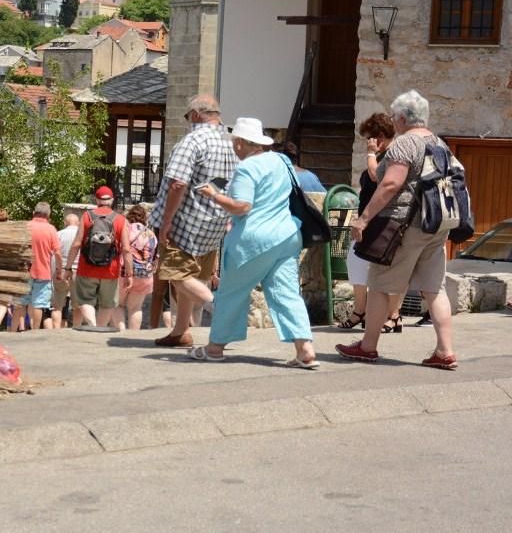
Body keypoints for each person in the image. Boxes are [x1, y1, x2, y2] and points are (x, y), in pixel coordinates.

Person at [337, 90, 458, 369]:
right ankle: (445, 351)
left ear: (402, 118)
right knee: (433, 288)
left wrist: (364, 219)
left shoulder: (405, 144)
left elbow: (390, 184)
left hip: (404, 225)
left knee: (379, 283)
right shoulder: (440, 144)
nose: (393, 121)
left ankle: (368, 347)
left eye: (394, 117)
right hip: (436, 225)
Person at [190, 118, 318, 367]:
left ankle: (215, 348)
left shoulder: (246, 168)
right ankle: (305, 349)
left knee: (231, 293)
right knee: (286, 293)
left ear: (240, 142)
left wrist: (214, 195)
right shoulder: (281, 161)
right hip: (287, 234)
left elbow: (242, 207)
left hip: (253, 240)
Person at [148, 94, 237, 347]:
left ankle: (218, 308)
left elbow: (178, 183)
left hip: (186, 220)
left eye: (187, 116)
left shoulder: (193, 140)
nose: (187, 121)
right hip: (214, 221)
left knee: (175, 274)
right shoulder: (230, 140)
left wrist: (166, 221)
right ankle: (180, 331)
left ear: (196, 115)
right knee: (193, 276)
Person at [336, 113, 406, 333]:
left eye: (371, 138)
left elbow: (377, 177)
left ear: (380, 136)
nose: (369, 142)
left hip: (385, 220)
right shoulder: (382, 155)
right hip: (369, 218)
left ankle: (393, 315)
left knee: (389, 267)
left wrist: (370, 154)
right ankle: (361, 311)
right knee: (356, 262)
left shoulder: (392, 155)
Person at [65, 187, 132, 328]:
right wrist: (129, 274)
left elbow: (77, 244)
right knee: (107, 304)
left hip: (87, 267)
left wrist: (68, 267)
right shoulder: (120, 219)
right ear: (112, 200)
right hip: (111, 270)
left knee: (85, 300)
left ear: (96, 200)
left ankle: (92, 324)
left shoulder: (87, 216)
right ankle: (100, 330)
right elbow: (126, 249)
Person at [12, 202, 62, 331]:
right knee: (38, 305)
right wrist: (59, 271)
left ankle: (12, 331)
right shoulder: (51, 229)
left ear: (34, 213)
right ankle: (34, 332)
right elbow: (57, 253)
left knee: (20, 303)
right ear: (48, 215)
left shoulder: (25, 227)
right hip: (43, 272)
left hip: (24, 271)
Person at [118, 204, 157, 331]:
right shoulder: (151, 234)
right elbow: (155, 254)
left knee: (118, 305)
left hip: (124, 272)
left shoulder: (126, 229)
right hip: (145, 274)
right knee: (136, 308)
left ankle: (121, 333)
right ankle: (133, 335)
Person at [51, 213, 80, 328]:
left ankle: (56, 331)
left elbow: (54, 255)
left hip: (61, 270)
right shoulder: (82, 235)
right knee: (78, 306)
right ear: (78, 223)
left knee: (57, 306)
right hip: (78, 271)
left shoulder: (59, 234)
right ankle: (78, 328)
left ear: (65, 223)